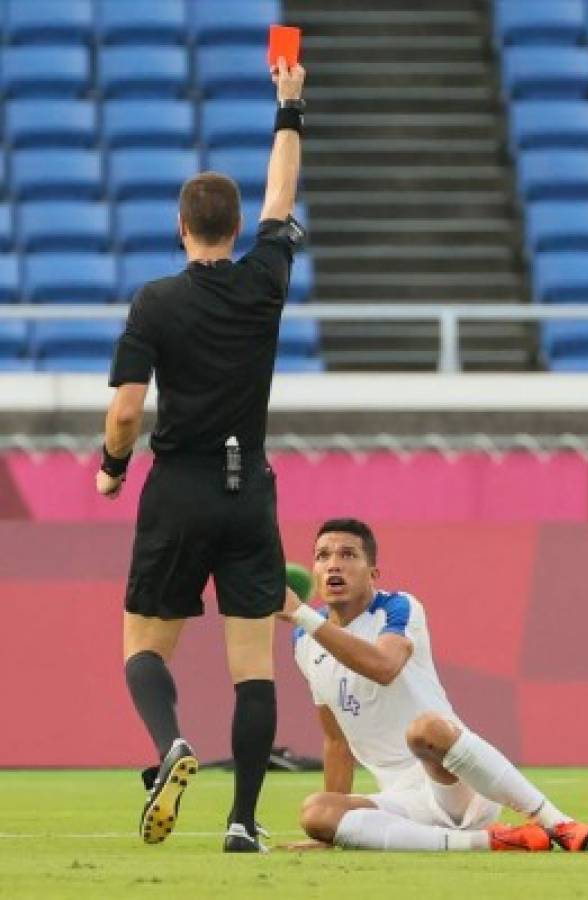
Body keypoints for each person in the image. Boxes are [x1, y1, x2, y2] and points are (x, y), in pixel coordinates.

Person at [95, 58, 309, 853]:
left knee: (143, 648)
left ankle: (171, 748)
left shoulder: (155, 300)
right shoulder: (266, 282)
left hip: (178, 487)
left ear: (182, 228)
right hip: (249, 487)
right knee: (254, 667)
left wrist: (113, 467)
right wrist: (288, 106)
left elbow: (124, 412)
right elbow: (282, 195)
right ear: (235, 225)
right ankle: (245, 822)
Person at [282, 518, 588, 854]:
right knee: (317, 812)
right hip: (405, 802)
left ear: (373, 573)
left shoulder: (398, 607)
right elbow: (336, 740)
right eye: (322, 556)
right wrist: (329, 834)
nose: (334, 564)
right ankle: (492, 841)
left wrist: (303, 614)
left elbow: (384, 666)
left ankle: (558, 823)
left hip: (455, 781)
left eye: (348, 555)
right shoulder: (305, 640)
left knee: (425, 730)